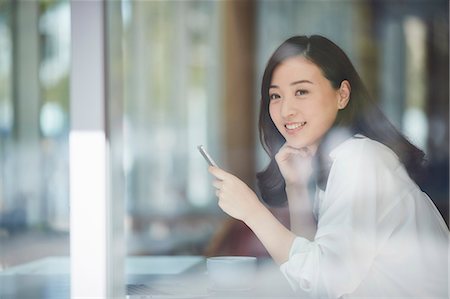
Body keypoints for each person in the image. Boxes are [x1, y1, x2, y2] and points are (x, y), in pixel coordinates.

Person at [208, 35, 449, 298]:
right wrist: (296, 187)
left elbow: (326, 283)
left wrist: (251, 211)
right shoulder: (339, 161)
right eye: (275, 96)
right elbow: (310, 277)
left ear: (342, 95)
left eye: (302, 91)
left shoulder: (360, 158)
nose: (285, 109)